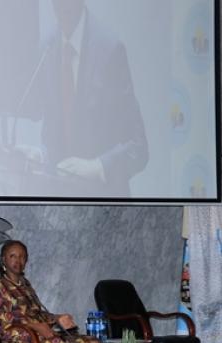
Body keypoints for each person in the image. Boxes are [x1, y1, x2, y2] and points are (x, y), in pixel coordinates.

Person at [20, 0, 148, 197]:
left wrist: (97, 167)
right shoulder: (47, 47)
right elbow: (54, 137)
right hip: (62, 203)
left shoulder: (110, 49)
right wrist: (41, 156)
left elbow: (138, 148)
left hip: (103, 202)